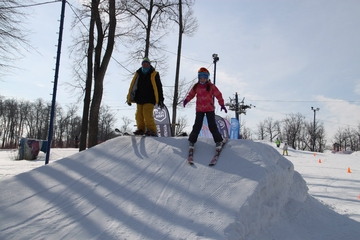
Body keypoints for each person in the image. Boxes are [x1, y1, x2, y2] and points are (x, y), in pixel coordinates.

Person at [183, 67, 227, 149]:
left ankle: (218, 141)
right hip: (199, 110)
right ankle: (192, 141)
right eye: (201, 78)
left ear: (207, 78)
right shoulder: (196, 86)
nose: (202, 80)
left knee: (212, 126)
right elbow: (191, 94)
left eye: (204, 78)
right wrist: (186, 100)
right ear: (199, 78)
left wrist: (222, 104)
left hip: (209, 109)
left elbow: (218, 94)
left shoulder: (211, 86)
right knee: (197, 125)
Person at [126, 57, 164, 136]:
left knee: (147, 113)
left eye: (147, 64)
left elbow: (159, 87)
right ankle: (141, 129)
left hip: (150, 98)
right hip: (140, 98)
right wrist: (129, 99)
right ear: (142, 65)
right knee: (138, 115)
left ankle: (152, 130)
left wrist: (161, 99)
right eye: (144, 64)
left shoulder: (154, 74)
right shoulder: (138, 74)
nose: (145, 66)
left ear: (149, 65)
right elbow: (133, 86)